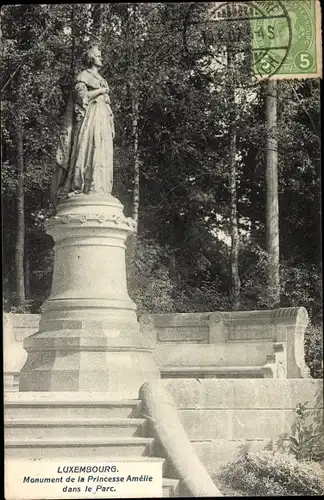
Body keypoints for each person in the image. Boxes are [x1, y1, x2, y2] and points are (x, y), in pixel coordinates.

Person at [52, 46, 115, 201]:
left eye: (101, 56)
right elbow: (82, 97)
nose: (101, 58)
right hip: (90, 118)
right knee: (88, 147)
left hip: (103, 119)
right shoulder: (83, 76)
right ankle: (83, 185)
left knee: (101, 151)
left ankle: (99, 187)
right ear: (90, 59)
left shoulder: (102, 80)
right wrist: (100, 92)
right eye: (98, 56)